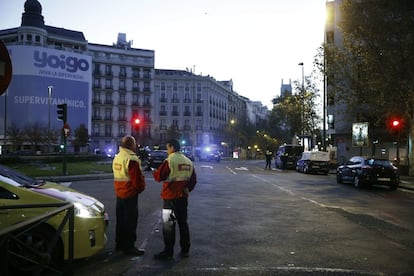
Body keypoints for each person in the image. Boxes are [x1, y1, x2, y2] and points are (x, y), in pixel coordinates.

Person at [152, 139, 197, 260]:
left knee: (168, 226)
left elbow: (159, 176)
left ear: (171, 147)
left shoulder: (170, 160)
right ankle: (185, 249)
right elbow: (193, 180)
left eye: (167, 148)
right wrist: (187, 189)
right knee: (183, 223)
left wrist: (154, 172)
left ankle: (168, 252)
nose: (167, 151)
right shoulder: (188, 161)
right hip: (183, 197)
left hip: (170, 197)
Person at [112, 135, 146, 256]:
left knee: (120, 221)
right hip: (130, 193)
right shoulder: (131, 158)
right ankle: (129, 246)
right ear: (131, 144)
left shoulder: (118, 157)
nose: (135, 145)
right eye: (134, 143)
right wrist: (140, 188)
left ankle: (119, 244)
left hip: (119, 193)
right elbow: (136, 178)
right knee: (130, 221)